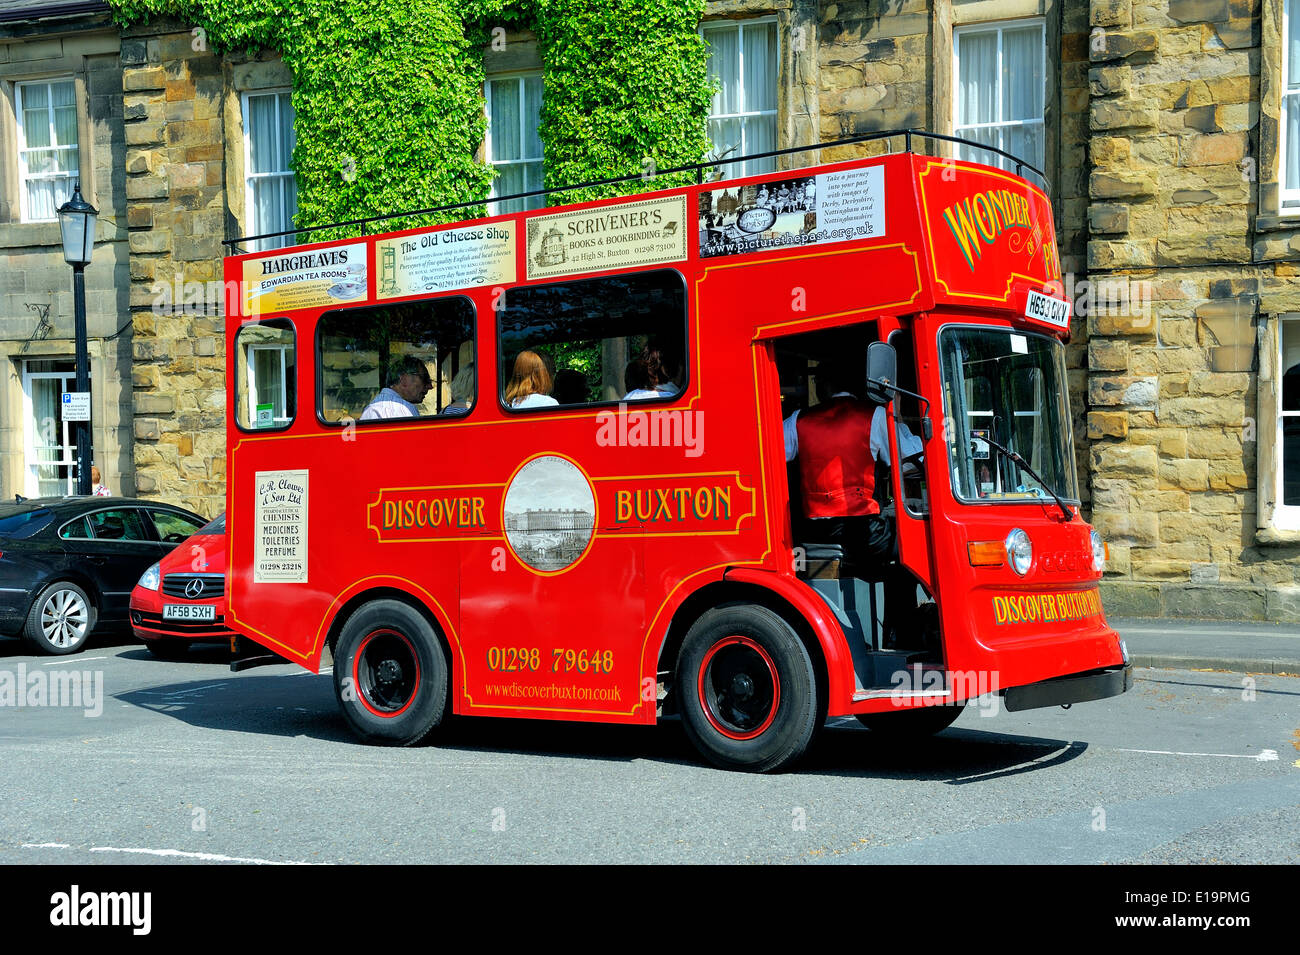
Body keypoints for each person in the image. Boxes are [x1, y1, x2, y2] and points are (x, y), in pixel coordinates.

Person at [783, 357, 918, 646]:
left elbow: (768, 452)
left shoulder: (799, 420)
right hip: (864, 535)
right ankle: (902, 637)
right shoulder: (874, 416)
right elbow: (909, 458)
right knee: (911, 554)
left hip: (815, 531)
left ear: (823, 386)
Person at [360, 356, 432, 420]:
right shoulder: (402, 410)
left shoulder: (374, 408)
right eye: (425, 379)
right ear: (404, 379)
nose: (430, 386)